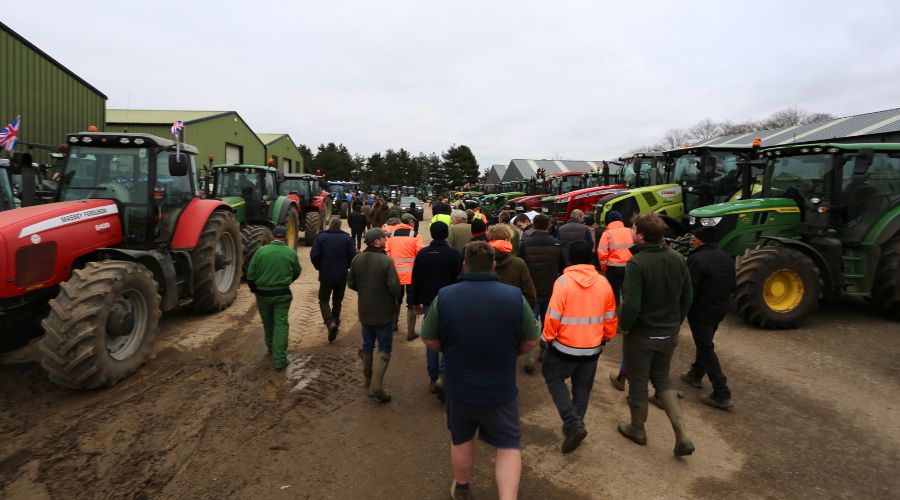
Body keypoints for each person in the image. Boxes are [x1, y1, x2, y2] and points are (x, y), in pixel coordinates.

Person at [420, 241, 541, 500]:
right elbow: (532, 340)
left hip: (459, 387)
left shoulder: (445, 295)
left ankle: (462, 487)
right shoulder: (514, 297)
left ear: (465, 265)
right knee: (508, 445)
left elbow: (428, 338)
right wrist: (511, 353)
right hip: (501, 390)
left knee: (461, 439)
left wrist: (449, 350)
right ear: (494, 264)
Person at [617, 213, 695, 457]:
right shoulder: (678, 258)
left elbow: (631, 305)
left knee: (638, 382)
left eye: (632, 228)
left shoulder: (637, 263)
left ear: (640, 234)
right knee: (662, 378)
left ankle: (637, 428)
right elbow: (687, 297)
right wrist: (675, 323)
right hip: (668, 334)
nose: (631, 231)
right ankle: (682, 434)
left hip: (641, 335)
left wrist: (625, 326)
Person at [542, 241, 618, 453]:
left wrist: (548, 338)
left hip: (564, 347)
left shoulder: (563, 282)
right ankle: (575, 425)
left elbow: (553, 314)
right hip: (592, 348)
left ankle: (573, 423)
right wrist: (606, 337)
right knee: (582, 389)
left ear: (569, 258)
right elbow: (610, 315)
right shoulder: (604, 283)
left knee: (553, 378)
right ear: (592, 257)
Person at [680, 225, 736, 410]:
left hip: (701, 310)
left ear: (700, 240)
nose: (691, 240)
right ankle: (696, 374)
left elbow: (689, 289)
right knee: (705, 342)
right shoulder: (726, 257)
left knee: (705, 347)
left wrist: (680, 312)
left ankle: (722, 392)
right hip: (720, 308)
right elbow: (732, 284)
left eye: (693, 238)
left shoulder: (696, 259)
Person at [348, 228, 402, 403]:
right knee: (384, 348)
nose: (386, 240)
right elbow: (394, 288)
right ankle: (377, 386)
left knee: (367, 344)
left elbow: (351, 283)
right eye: (383, 238)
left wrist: (365, 291)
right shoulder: (385, 261)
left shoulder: (357, 259)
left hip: (365, 310)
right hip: (384, 311)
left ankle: (368, 379)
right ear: (376, 242)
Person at [411, 221, 463, 398]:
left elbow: (415, 279)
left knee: (431, 338)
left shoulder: (423, 254)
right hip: (451, 301)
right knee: (449, 339)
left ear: (432, 234)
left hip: (428, 303)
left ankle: (433, 377)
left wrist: (414, 302)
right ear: (446, 234)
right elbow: (460, 279)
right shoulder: (454, 254)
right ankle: (444, 374)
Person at [246, 226, 302, 371]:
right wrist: (287, 281)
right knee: (281, 324)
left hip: (263, 294)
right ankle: (280, 361)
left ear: (273, 237)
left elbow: (250, 274)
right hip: (282, 294)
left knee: (267, 322)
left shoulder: (260, 251)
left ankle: (271, 347)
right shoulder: (290, 252)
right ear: (284, 237)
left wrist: (255, 289)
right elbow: (297, 271)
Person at [516, 214, 563, 374]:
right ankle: (544, 350)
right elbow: (563, 267)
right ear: (548, 226)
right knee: (548, 322)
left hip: (531, 290)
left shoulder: (526, 243)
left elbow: (519, 264)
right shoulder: (557, 244)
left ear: (534, 226)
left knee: (531, 322)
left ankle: (530, 356)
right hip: (550, 289)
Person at [597, 210, 634, 391]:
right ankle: (625, 319)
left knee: (613, 296)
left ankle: (614, 323)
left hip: (613, 267)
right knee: (627, 295)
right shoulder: (629, 231)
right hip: (630, 267)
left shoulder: (607, 233)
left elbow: (602, 252)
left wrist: (604, 267)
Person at [311, 217, 356, 343]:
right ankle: (335, 321)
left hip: (326, 274)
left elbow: (314, 255)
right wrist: (346, 266)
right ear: (340, 226)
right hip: (341, 275)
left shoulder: (321, 238)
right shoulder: (347, 238)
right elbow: (353, 256)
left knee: (323, 299)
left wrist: (319, 266)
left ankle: (330, 322)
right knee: (337, 300)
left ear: (330, 225)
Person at [385, 213, 426, 339]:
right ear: (411, 222)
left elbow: (387, 251)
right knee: (411, 302)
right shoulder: (415, 235)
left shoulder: (392, 236)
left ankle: (394, 324)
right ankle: (410, 332)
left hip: (395, 275)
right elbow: (421, 253)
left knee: (396, 299)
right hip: (411, 275)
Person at [488, 225, 536, 310]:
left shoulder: (482, 261)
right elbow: (529, 295)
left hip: (487, 311)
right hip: (512, 310)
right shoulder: (518, 263)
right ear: (507, 240)